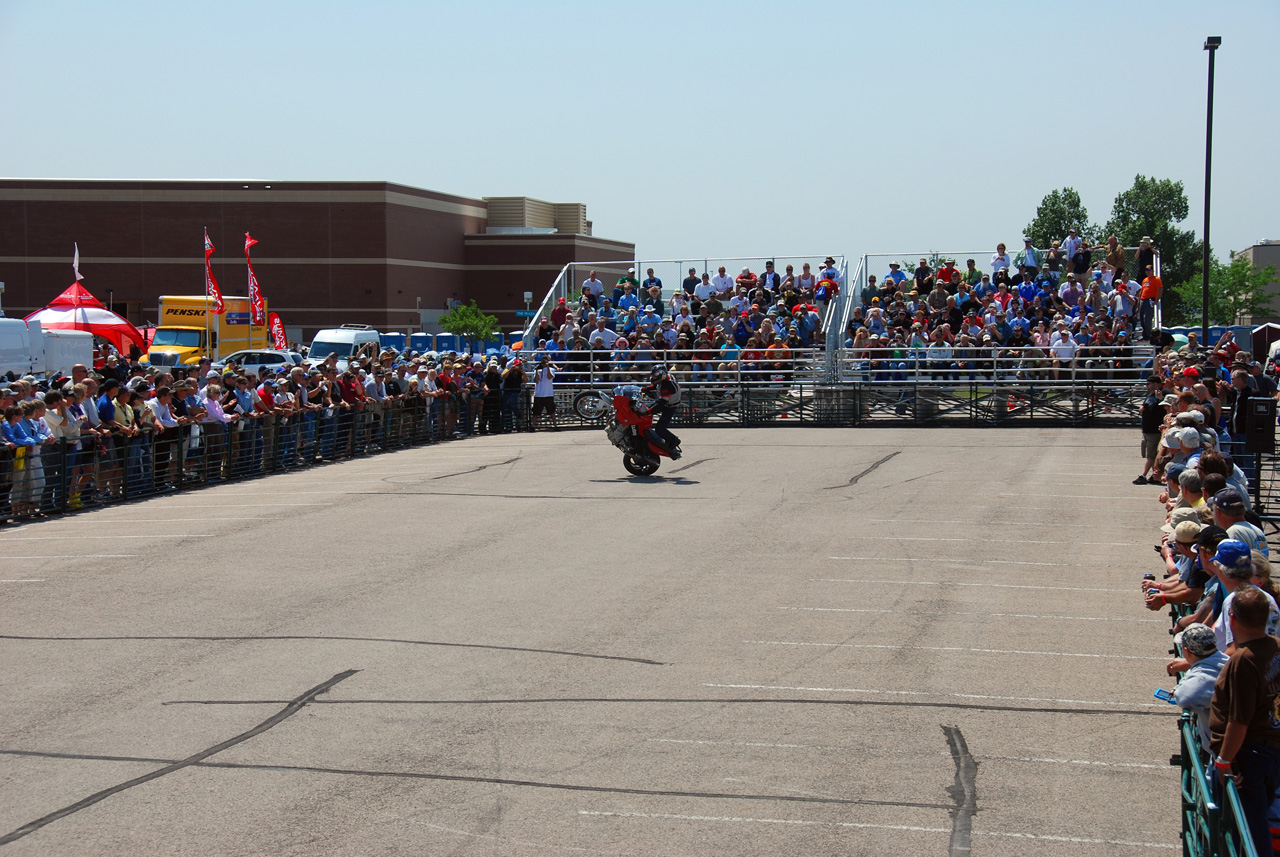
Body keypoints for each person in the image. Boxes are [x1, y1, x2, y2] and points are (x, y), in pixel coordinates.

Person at [1208, 584, 1280, 857]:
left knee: (1248, 830)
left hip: (1247, 756)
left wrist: (1224, 761)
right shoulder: (1276, 648)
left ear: (1232, 619)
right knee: (1254, 823)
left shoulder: (1243, 660)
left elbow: (1239, 720)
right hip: (1271, 750)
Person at [1172, 623, 1231, 752]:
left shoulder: (1204, 674)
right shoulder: (1226, 661)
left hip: (1225, 753)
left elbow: (1185, 697)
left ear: (1186, 652)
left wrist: (1179, 687)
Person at [640, 364, 681, 458]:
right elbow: (657, 386)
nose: (653, 378)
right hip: (665, 401)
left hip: (669, 406)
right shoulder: (665, 379)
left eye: (655, 376)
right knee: (644, 407)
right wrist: (644, 389)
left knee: (660, 429)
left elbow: (660, 405)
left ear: (661, 375)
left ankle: (674, 440)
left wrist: (648, 412)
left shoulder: (667, 386)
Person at [531, 355, 557, 431]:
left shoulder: (551, 369)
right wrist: (536, 370)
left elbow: (549, 377)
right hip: (539, 394)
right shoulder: (538, 370)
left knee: (551, 411)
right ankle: (533, 425)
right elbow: (536, 380)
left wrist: (547, 367)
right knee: (536, 411)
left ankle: (555, 425)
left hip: (548, 393)